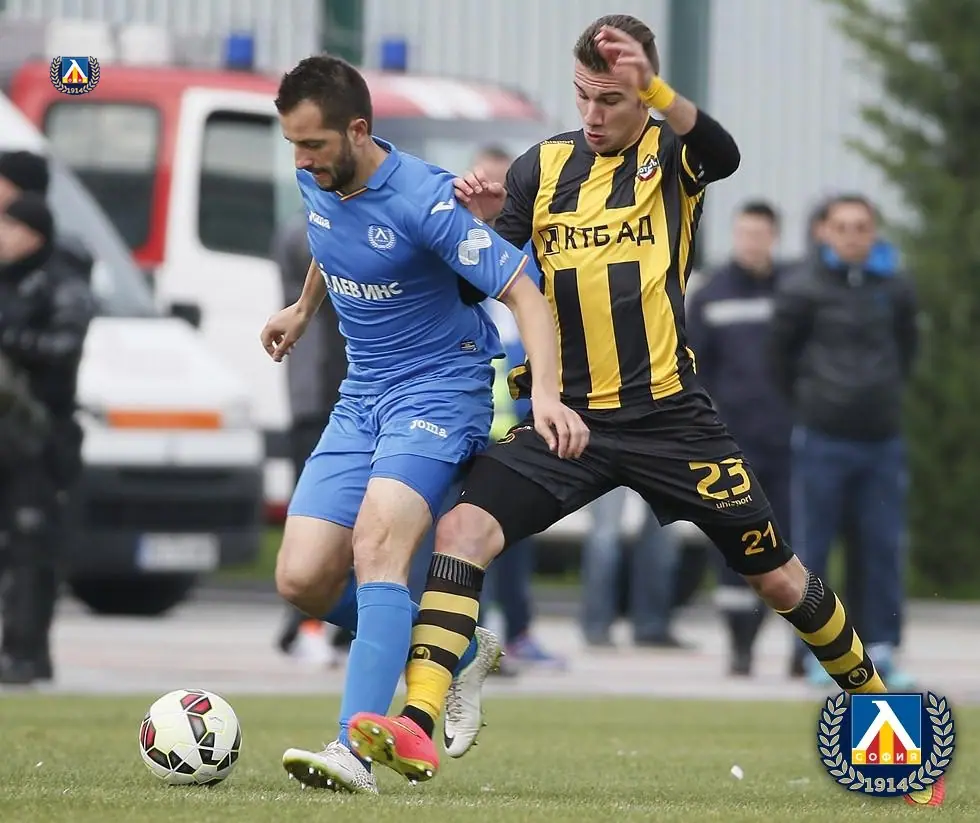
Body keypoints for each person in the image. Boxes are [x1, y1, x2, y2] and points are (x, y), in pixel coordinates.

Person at [347, 16, 940, 808]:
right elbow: (475, 285)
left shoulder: (671, 152)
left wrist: (657, 92)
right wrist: (479, 225)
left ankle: (888, 726)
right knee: (462, 530)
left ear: (645, 95)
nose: (593, 115)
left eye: (612, 100)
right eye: (583, 97)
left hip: (670, 419)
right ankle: (417, 718)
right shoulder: (540, 168)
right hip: (568, 418)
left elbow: (724, 152)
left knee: (778, 577)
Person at [259, 55, 587, 795]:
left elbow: (525, 293)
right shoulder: (318, 177)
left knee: (378, 546)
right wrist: (303, 309)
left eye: (313, 145)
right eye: (293, 145)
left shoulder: (426, 200)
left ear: (358, 130)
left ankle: (353, 747)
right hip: (362, 398)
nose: (301, 161)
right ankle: (457, 648)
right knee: (302, 578)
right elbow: (330, 237)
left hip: (439, 394)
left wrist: (546, 395)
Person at [771, 194, 919, 691]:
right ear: (825, 232)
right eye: (842, 226)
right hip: (822, 438)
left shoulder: (895, 287)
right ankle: (817, 652)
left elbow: (907, 348)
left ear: (874, 232)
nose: (852, 235)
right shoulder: (802, 287)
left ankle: (881, 647)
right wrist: (812, 404)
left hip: (881, 440)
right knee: (814, 549)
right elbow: (780, 359)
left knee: (880, 546)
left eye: (861, 227)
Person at [685, 200, 793, 676]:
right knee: (735, 543)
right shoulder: (711, 295)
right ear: (735, 236)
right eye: (745, 233)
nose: (752, 242)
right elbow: (693, 370)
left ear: (774, 237)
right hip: (730, 443)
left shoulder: (793, 292)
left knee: (788, 543)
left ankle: (800, 644)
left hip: (787, 443)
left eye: (760, 234)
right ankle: (739, 643)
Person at [0, 192, 94, 685]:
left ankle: (27, 653)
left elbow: (64, 345)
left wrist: (12, 340)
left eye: (9, 227)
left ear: (33, 234)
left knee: (32, 546)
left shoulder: (61, 282)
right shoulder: (9, 280)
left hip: (42, 435)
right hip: (7, 433)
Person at [271, 209, 351, 666]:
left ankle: (327, 627)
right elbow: (326, 252)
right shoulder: (305, 230)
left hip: (349, 396)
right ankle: (305, 627)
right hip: (318, 398)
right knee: (316, 521)